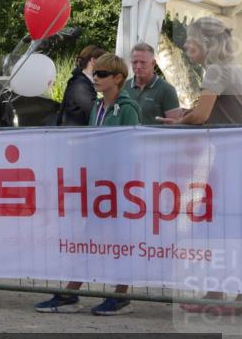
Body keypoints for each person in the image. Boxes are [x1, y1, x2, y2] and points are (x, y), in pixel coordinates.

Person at [36, 53, 139, 315]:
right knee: (88, 238)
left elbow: (133, 147)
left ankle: (120, 294)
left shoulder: (127, 108)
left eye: (102, 74)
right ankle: (72, 292)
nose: (96, 78)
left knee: (120, 240)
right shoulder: (98, 107)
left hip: (119, 186)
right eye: (95, 73)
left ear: (118, 78)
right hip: (99, 185)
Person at [159, 17, 242, 314]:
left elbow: (202, 115)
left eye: (190, 38)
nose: (185, 44)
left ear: (206, 43)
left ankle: (219, 295)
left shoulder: (216, 71)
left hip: (232, 161)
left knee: (226, 227)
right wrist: (186, 116)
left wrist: (182, 121)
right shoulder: (230, 69)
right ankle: (218, 294)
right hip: (232, 158)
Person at [125, 42, 179, 125]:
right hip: (127, 137)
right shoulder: (124, 87)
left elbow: (174, 124)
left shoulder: (166, 90)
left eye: (143, 62)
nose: (138, 66)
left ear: (153, 63)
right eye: (135, 62)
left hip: (154, 137)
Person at [56, 45, 106, 126]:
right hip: (74, 136)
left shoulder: (81, 82)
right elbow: (95, 112)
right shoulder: (80, 85)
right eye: (104, 62)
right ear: (93, 61)